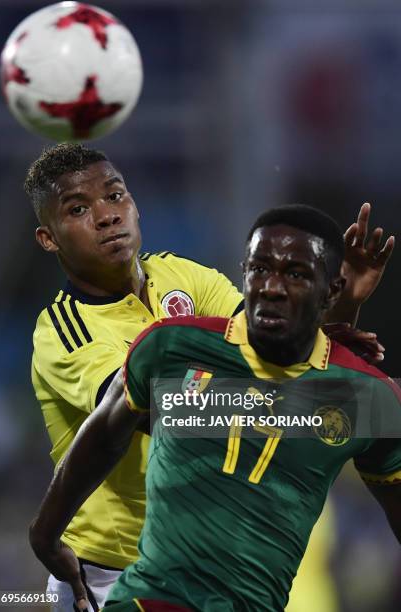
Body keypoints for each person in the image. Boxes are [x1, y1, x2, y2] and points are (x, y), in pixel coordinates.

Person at [29, 205, 400, 612]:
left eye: (296, 274)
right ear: (243, 272)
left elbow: (304, 390)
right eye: (260, 269)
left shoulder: (369, 397)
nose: (272, 286)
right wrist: (46, 533)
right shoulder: (170, 346)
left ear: (330, 290)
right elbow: (108, 435)